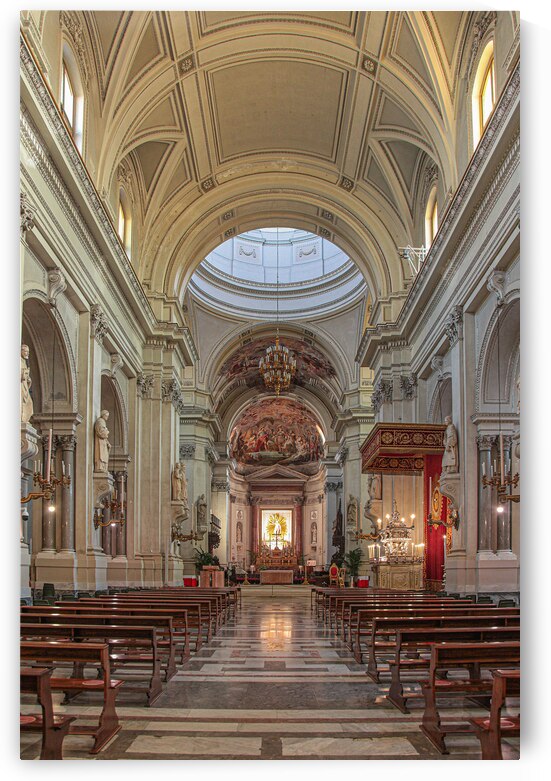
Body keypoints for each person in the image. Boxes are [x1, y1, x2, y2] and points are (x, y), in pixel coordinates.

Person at [21, 344, 34, 424]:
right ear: (21, 351)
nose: (27, 354)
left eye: (28, 352)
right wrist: (24, 373)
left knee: (29, 403)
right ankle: (22, 418)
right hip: (21, 387)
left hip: (24, 386)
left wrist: (28, 379)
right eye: (26, 351)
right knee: (26, 402)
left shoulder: (24, 362)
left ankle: (24, 418)